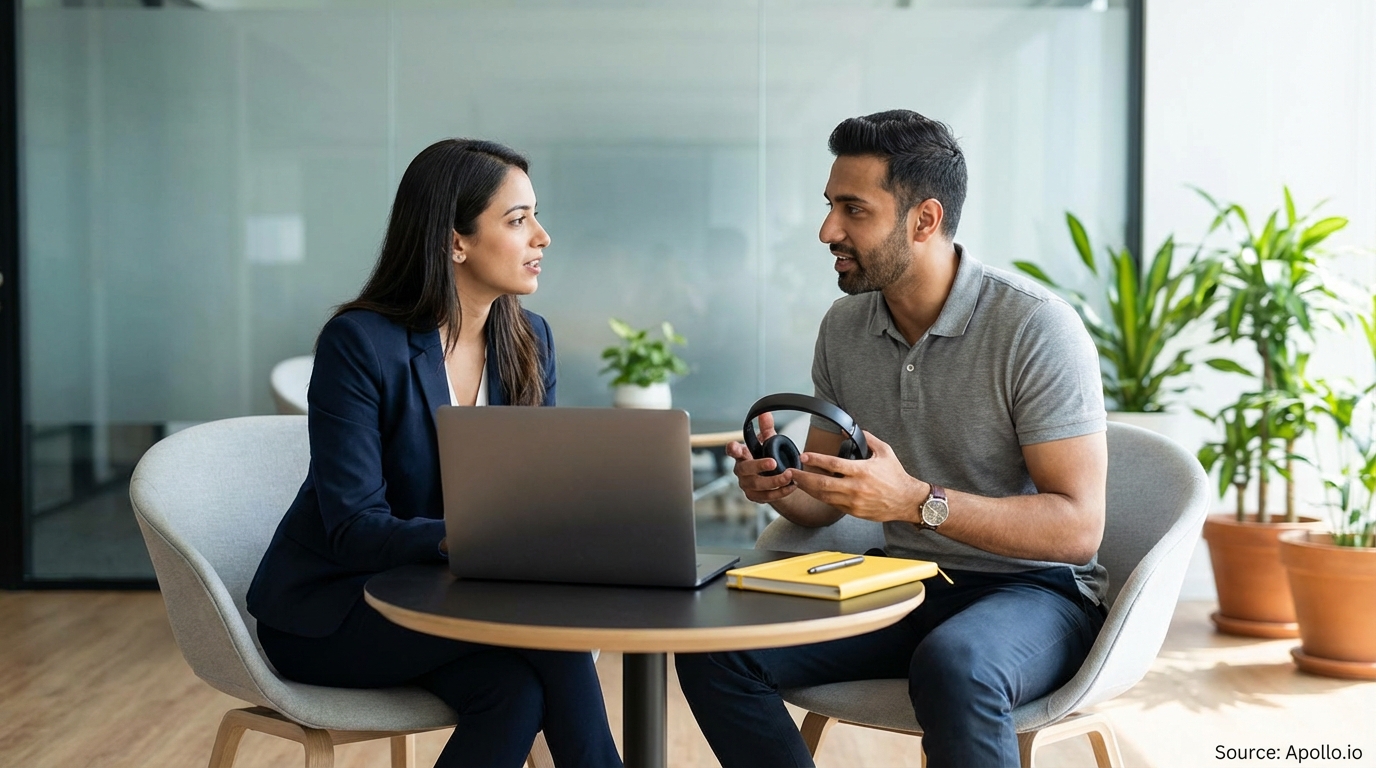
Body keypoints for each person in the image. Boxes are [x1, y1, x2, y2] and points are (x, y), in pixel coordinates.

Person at [675, 110, 1109, 767]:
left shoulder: (1034, 327)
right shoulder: (845, 327)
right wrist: (781, 487)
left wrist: (913, 502)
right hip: (907, 579)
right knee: (716, 646)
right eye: (829, 206)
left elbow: (1077, 530)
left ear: (924, 220)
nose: (827, 231)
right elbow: (824, 501)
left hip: (1038, 592)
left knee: (957, 664)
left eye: (853, 210)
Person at [246, 139, 623, 768]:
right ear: (456, 241)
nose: (543, 237)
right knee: (549, 642)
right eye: (518, 219)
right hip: (337, 609)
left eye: (535, 215)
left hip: (461, 602)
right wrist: (469, 540)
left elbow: (532, 498)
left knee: (513, 693)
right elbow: (353, 527)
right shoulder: (360, 344)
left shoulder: (529, 340)